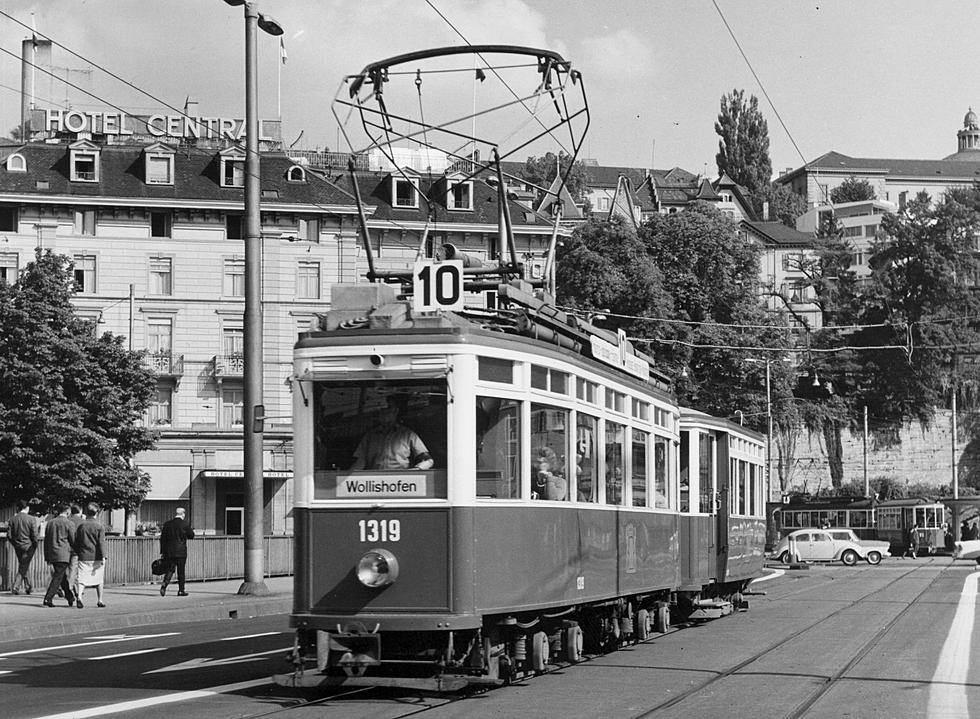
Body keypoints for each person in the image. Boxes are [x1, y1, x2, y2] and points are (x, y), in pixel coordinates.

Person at [350, 396, 433, 470]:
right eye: (381, 409)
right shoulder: (370, 436)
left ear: (396, 411)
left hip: (401, 483)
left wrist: (415, 471)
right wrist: (345, 478)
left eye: (388, 407)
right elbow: (360, 462)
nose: (384, 411)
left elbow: (428, 460)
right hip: (374, 482)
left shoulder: (408, 435)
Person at [72, 503, 107, 609]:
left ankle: (79, 597)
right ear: (97, 512)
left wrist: (78, 552)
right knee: (99, 579)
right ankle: (100, 600)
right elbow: (101, 543)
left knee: (82, 578)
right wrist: (103, 556)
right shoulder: (99, 526)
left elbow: (76, 542)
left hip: (83, 555)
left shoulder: (81, 526)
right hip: (96, 556)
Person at [42, 504, 76, 607]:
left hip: (52, 553)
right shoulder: (69, 523)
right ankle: (48, 598)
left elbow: (46, 540)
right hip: (64, 554)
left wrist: (46, 555)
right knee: (58, 576)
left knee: (61, 576)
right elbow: (73, 540)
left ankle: (70, 597)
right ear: (67, 512)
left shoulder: (50, 523)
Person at [159, 507, 195, 596]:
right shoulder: (184, 524)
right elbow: (191, 535)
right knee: (181, 571)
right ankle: (181, 590)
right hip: (181, 551)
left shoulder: (167, 524)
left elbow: (162, 539)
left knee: (170, 569)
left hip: (169, 551)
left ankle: (164, 585)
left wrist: (163, 552)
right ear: (183, 514)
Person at [9, 500, 38, 595]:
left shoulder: (13, 519)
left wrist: (14, 543)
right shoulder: (31, 519)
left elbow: (9, 535)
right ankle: (16, 586)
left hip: (18, 546)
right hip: (29, 546)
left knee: (23, 565)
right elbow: (34, 534)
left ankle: (29, 586)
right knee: (24, 566)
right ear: (27, 508)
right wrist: (35, 544)